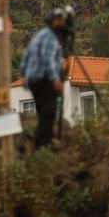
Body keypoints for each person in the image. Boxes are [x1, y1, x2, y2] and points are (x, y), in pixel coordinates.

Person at [20, 8, 68, 148]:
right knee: (49, 112)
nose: (62, 23)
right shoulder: (51, 37)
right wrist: (55, 80)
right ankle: (43, 146)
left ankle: (39, 141)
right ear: (54, 22)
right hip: (44, 79)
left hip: (34, 80)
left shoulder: (39, 35)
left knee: (42, 112)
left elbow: (26, 55)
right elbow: (47, 60)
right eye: (60, 20)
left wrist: (23, 74)